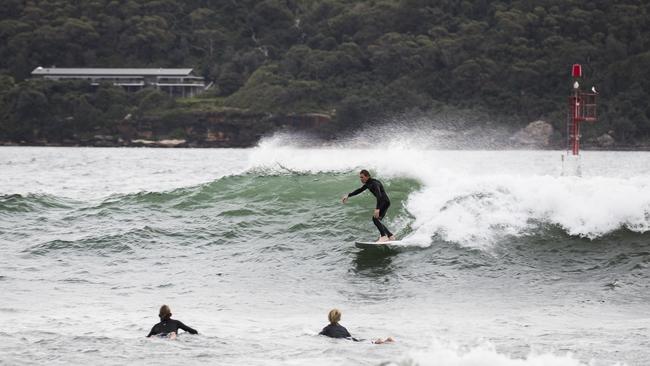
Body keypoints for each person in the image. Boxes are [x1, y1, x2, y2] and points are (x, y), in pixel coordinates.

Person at [342, 169, 395, 242]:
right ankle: (390, 236)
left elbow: (379, 196)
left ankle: (383, 236)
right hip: (385, 202)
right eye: (360, 177)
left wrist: (377, 208)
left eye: (362, 177)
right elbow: (359, 190)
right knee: (377, 220)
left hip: (384, 202)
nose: (361, 179)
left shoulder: (374, 183)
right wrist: (348, 195)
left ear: (367, 176)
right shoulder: (368, 183)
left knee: (375, 219)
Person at [319, 309, 393, 344]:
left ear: (329, 317)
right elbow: (349, 336)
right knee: (364, 341)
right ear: (339, 318)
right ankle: (381, 341)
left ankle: (378, 342)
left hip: (345, 341)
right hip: (351, 339)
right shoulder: (343, 328)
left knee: (366, 343)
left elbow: (319, 336)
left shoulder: (327, 329)